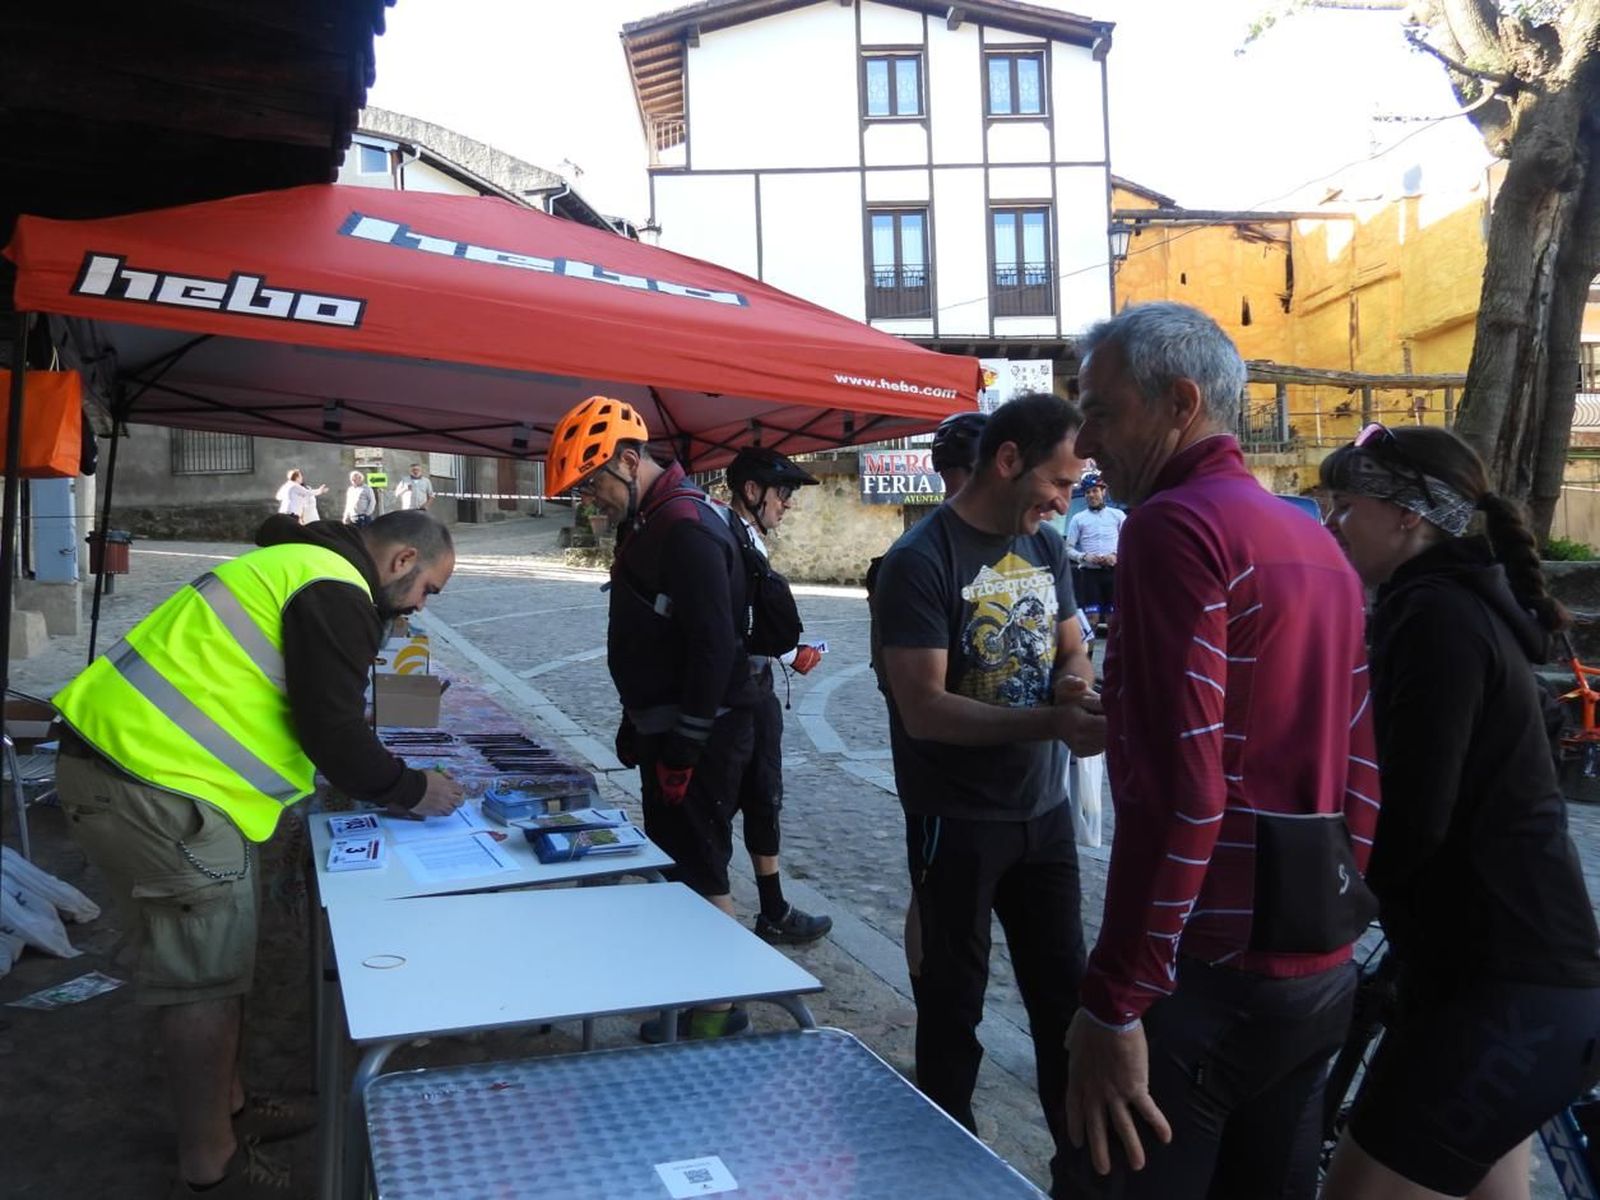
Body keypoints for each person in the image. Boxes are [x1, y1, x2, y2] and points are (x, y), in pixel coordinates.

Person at [1059, 301, 1380, 1200]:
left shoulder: (1173, 529)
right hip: (1315, 969)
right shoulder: (1315, 539)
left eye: (1101, 411)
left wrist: (1117, 995)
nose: (1084, 442)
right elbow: (1362, 769)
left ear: (1180, 404)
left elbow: (1183, 794)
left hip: (1204, 977)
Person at [51, 510, 463, 1199]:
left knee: (219, 964)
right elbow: (335, 736)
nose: (423, 606)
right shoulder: (335, 586)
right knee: (203, 979)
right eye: (430, 589)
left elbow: (307, 700)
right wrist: (416, 789)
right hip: (152, 784)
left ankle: (233, 1106)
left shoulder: (303, 565)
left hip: (147, 774)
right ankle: (212, 1162)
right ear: (400, 562)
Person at [1319, 425, 1600, 1200]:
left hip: (1503, 986)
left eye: (1347, 506)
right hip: (1517, 981)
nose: (1334, 524)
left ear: (1408, 516)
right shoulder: (1464, 603)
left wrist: (1319, 902)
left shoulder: (1434, 614)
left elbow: (1410, 811)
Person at [873, 392, 1103, 1149]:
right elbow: (924, 710)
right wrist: (1052, 722)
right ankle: (946, 1162)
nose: (1067, 500)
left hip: (1043, 816)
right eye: (1060, 483)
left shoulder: (1045, 546)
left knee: (1065, 1006)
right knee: (952, 1011)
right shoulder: (919, 561)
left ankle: (1081, 1177)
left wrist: (1072, 681)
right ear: (1009, 461)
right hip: (956, 820)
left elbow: (1073, 645)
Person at [545, 395, 758, 1041]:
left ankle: (721, 1010)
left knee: (700, 867)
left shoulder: (685, 526)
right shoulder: (654, 520)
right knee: (675, 864)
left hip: (706, 729)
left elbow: (714, 645)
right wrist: (638, 720)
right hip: (666, 727)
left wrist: (685, 746)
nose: (591, 502)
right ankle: (690, 996)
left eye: (593, 485)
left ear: (629, 460)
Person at [721, 446, 833, 945]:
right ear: (752, 492)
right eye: (782, 493)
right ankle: (710, 915)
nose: (787, 503)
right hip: (733, 700)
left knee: (765, 798)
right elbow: (730, 628)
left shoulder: (750, 540)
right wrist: (790, 655)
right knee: (721, 808)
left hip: (759, 691)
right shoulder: (725, 541)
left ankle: (772, 909)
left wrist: (788, 654)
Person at [1064, 472, 1124, 630]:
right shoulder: (1078, 518)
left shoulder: (1118, 515)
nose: (1091, 495)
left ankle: (1114, 654)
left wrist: (1115, 556)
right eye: (1088, 492)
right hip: (1090, 575)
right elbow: (1068, 548)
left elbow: (1129, 543)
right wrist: (1084, 557)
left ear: (1103, 491)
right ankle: (1087, 655)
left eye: (1095, 491)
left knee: (1114, 621)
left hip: (1113, 572)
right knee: (1091, 620)